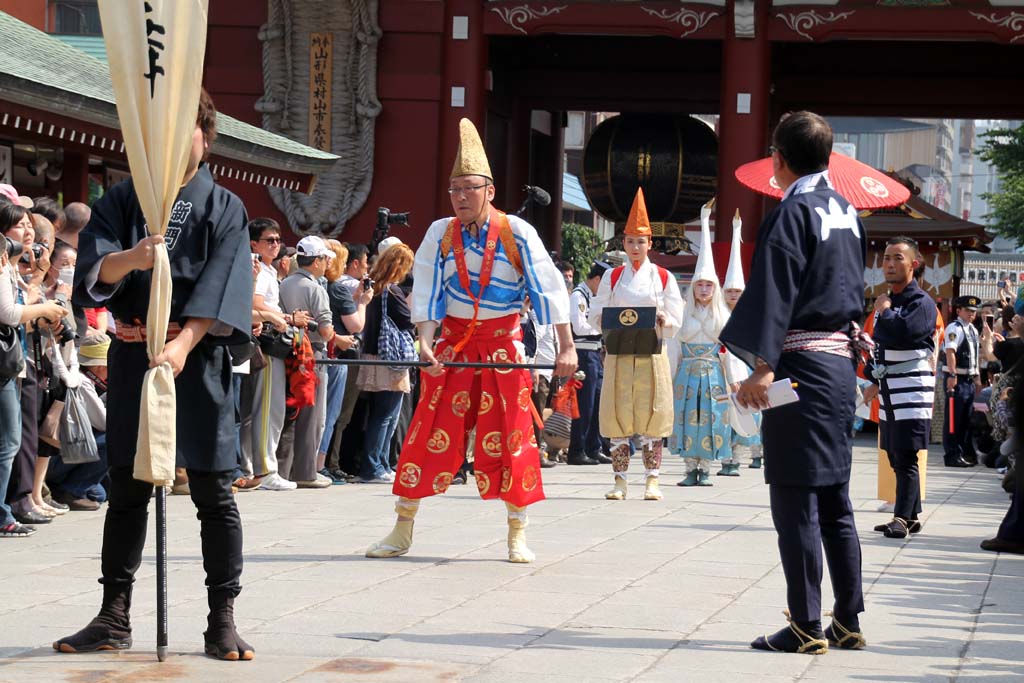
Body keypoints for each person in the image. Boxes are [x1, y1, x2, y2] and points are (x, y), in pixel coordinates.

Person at [57, 90, 257, 660]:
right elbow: (96, 272)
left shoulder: (224, 207)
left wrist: (184, 343)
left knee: (215, 492)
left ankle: (222, 619)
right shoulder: (123, 199)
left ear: (205, 135)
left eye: (184, 131)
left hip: (198, 358)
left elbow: (226, 287)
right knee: (128, 487)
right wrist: (134, 258)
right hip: (133, 356)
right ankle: (113, 615)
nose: (172, 146)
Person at [365, 118, 575, 563]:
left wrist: (567, 346)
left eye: (470, 188)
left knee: (513, 437)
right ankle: (402, 528)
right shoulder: (439, 233)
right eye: (454, 188)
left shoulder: (517, 232)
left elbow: (548, 287)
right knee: (425, 430)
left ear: (490, 190)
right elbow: (425, 290)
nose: (460, 197)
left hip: (503, 347)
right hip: (452, 347)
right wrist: (424, 340)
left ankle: (517, 531)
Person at [721, 111, 867, 654]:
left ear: (777, 159)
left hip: (800, 365)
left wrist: (761, 366)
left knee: (795, 499)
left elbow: (776, 288)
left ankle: (806, 623)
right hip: (837, 367)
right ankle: (847, 620)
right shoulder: (848, 212)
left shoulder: (792, 212)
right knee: (835, 499)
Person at [589, 188, 683, 501]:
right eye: (630, 241)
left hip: (651, 353)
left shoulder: (663, 277)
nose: (635, 247)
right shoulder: (613, 277)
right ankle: (619, 480)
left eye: (640, 241)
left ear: (649, 244)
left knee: (651, 414)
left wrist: (662, 319)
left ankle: (652, 479)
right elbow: (595, 312)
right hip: (618, 353)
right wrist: (607, 318)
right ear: (623, 243)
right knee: (618, 414)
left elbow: (675, 317)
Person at [861, 238, 936, 539]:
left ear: (913, 264)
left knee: (905, 455)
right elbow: (878, 344)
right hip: (891, 387)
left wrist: (885, 311)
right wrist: (874, 380)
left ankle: (902, 518)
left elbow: (902, 333)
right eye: (886, 258)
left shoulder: (921, 302)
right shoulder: (889, 300)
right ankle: (912, 516)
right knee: (894, 453)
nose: (889, 264)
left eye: (897, 258)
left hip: (911, 389)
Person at [1, 202, 67, 537]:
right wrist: (45, 305)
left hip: (18, 361)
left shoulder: (13, 266)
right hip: (11, 362)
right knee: (13, 438)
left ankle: (19, 500)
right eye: (20, 227)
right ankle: (11, 505)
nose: (27, 233)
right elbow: (12, 313)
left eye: (29, 226)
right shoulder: (4, 266)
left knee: (17, 437)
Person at [671, 206, 743, 486]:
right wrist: (669, 373)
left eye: (708, 285)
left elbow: (731, 351)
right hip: (686, 374)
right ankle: (690, 469)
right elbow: (674, 347)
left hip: (714, 373)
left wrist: (735, 379)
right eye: (699, 284)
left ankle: (707, 469)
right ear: (693, 287)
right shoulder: (682, 313)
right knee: (688, 420)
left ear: (715, 288)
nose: (703, 290)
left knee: (713, 419)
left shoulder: (724, 315)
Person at [279, 235, 350, 489]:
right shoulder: (315, 288)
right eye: (324, 259)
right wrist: (341, 340)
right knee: (313, 413)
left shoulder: (285, 283)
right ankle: (306, 471)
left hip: (288, 350)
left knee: (292, 412)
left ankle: (286, 469)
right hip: (313, 354)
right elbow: (325, 330)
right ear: (318, 261)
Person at [241, 218, 305, 491]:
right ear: (254, 243)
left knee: (268, 409)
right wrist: (287, 317)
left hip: (270, 342)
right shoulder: (257, 270)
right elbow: (255, 305)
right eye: (270, 240)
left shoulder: (268, 270)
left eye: (278, 240)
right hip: (266, 343)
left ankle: (258, 467)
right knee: (268, 408)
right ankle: (265, 469)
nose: (276, 245)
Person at [354, 243, 415, 482]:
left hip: (374, 353)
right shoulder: (391, 291)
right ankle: (374, 466)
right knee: (386, 415)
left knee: (382, 414)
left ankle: (379, 463)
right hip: (390, 357)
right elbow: (408, 320)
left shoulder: (373, 288)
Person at [722, 225, 763, 470]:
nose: (733, 295)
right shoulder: (719, 315)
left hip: (749, 369)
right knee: (728, 417)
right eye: (729, 291)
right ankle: (732, 459)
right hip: (725, 370)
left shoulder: (752, 315)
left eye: (738, 291)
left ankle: (756, 453)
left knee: (753, 413)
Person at [568, 261, 612, 466]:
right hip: (583, 354)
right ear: (597, 280)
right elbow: (579, 326)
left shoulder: (594, 297)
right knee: (584, 405)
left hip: (595, 354)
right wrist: (601, 329)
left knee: (597, 404)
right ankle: (577, 449)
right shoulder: (579, 295)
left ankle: (593, 447)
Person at [942, 295, 981, 467]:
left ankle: (962, 453)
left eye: (973, 311)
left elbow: (975, 356)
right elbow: (950, 352)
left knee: (965, 420)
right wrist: (952, 375)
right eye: (968, 310)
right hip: (957, 379)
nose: (971, 314)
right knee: (953, 419)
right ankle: (952, 455)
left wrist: (978, 379)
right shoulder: (954, 327)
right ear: (959, 311)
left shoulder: (972, 329)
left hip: (969, 379)